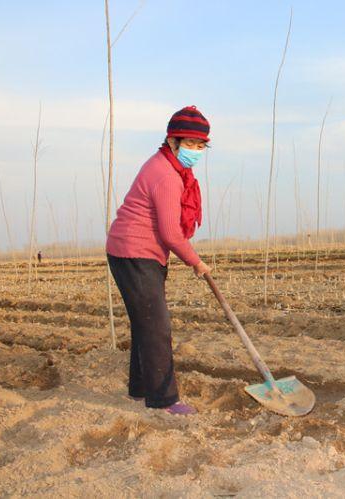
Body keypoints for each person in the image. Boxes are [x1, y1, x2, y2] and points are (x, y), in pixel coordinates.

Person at [106, 105, 212, 415]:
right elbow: (169, 233)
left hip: (138, 253)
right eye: (190, 144)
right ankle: (164, 400)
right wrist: (196, 262)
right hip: (133, 253)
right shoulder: (165, 175)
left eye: (201, 146)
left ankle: (140, 389)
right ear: (172, 142)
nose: (195, 151)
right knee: (157, 327)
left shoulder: (173, 170)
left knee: (146, 322)